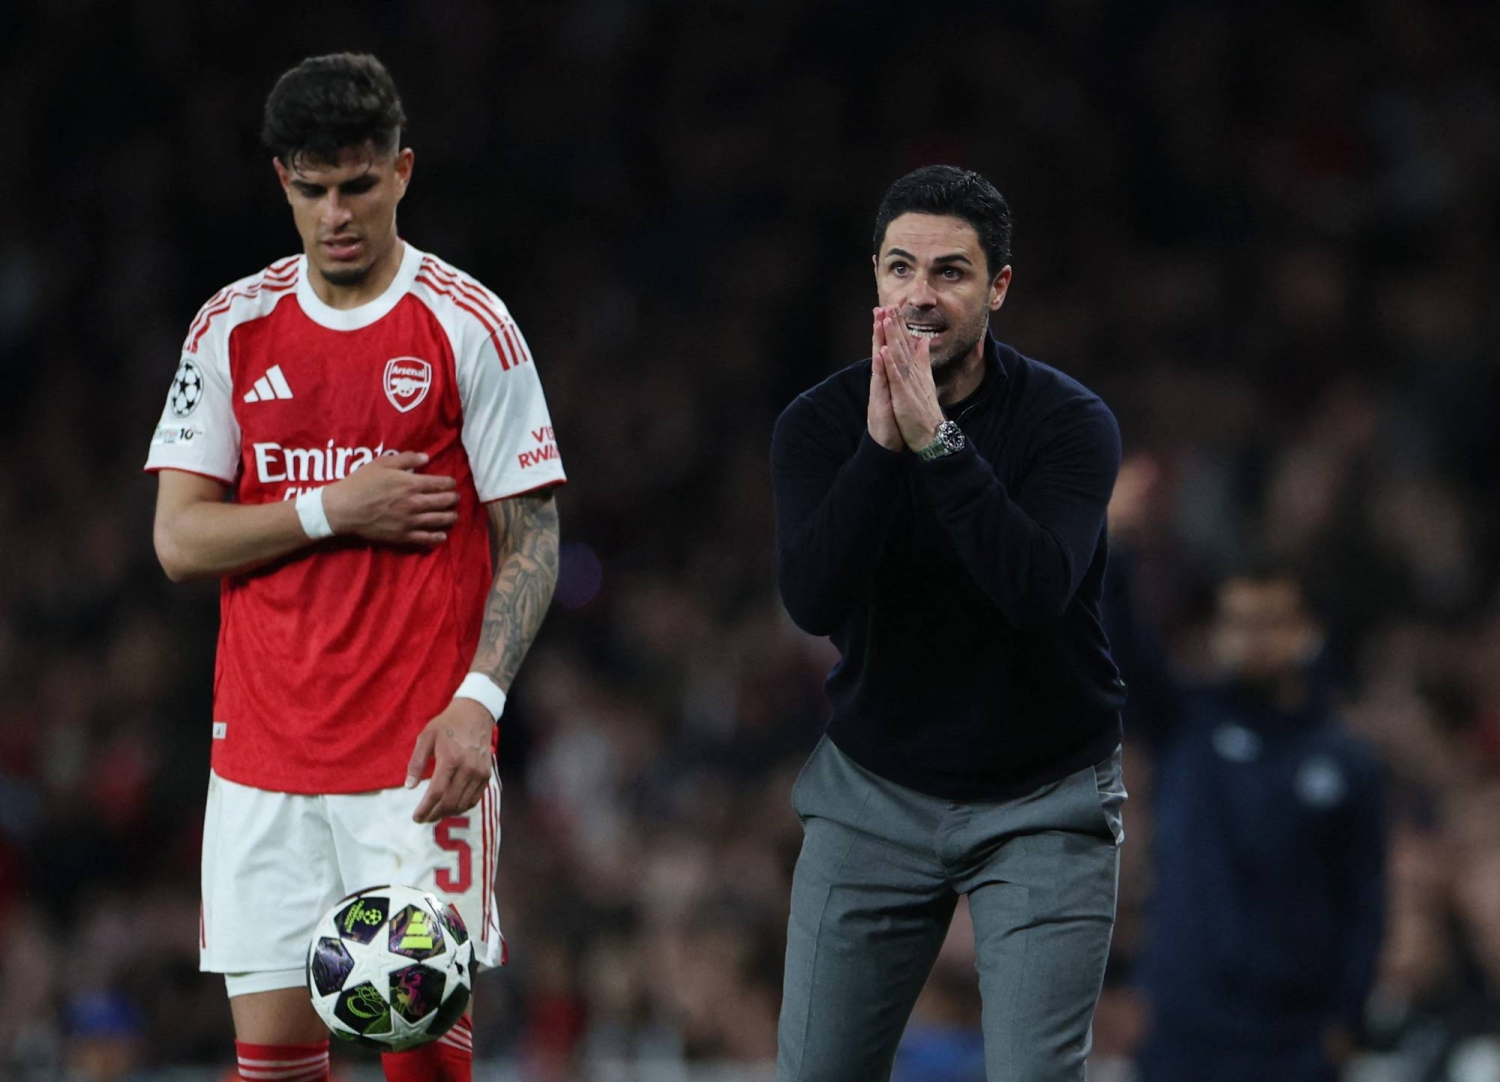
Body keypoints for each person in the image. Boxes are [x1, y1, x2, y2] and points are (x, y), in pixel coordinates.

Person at [145, 54, 564, 1082]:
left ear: (401, 172)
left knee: (421, 1063)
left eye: (360, 184)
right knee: (273, 1068)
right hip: (260, 764)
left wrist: (478, 704)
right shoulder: (231, 327)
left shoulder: (469, 324)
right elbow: (179, 540)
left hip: (416, 767)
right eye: (315, 189)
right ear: (282, 183)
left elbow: (534, 536)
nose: (338, 213)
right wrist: (333, 507)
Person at [770, 164, 1128, 1082]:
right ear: (876, 277)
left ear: (999, 287)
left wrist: (936, 442)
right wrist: (881, 448)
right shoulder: (818, 424)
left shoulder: (1070, 423)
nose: (920, 294)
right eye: (901, 268)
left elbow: (1034, 590)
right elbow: (812, 601)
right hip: (874, 790)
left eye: (951, 271)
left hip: (1044, 795)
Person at [1132, 564, 1385, 1082]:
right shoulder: (1183, 723)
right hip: (1187, 1025)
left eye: (1271, 621)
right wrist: (1111, 558)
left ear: (1308, 631)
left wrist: (1349, 1015)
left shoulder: (1346, 761)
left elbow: (1365, 899)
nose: (1254, 639)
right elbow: (1122, 657)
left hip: (1295, 1033)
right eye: (1238, 623)